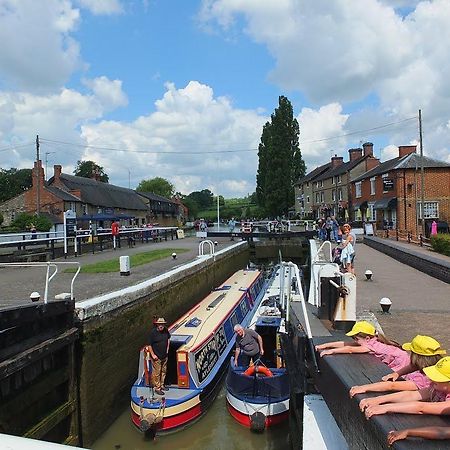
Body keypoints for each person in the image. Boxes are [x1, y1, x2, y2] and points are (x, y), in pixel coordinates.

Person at [350, 335, 446, 398]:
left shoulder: (424, 379)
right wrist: (397, 373)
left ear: (416, 357)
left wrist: (364, 388)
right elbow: (413, 366)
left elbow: (392, 386)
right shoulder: (437, 366)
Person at [361, 356, 450, 419]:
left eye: (437, 378)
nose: (431, 379)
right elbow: (412, 395)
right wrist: (379, 399)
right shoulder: (437, 388)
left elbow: (421, 408)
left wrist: (386, 408)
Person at [315, 321, 409, 372]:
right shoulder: (371, 341)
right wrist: (324, 346)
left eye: (356, 338)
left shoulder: (370, 346)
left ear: (367, 338)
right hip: (401, 356)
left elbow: (350, 349)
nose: (354, 341)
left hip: (401, 361)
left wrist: (331, 351)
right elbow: (345, 343)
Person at [148, 317, 171, 395]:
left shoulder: (166, 330)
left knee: (163, 371)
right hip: (156, 357)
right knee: (157, 373)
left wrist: (167, 349)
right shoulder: (153, 333)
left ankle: (162, 385)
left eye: (162, 324)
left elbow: (168, 339)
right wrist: (153, 355)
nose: (161, 326)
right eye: (160, 324)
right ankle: (157, 388)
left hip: (164, 356)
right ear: (157, 325)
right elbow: (149, 345)